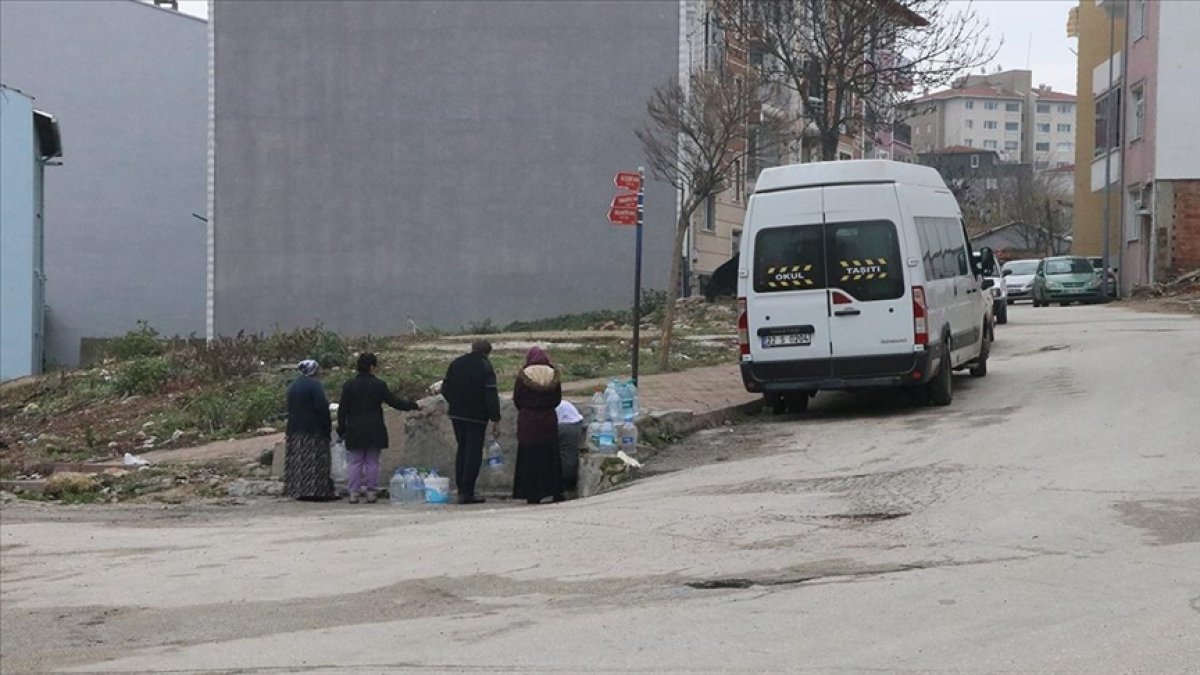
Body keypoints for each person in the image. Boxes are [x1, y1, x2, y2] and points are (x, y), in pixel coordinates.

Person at [337, 352, 419, 504]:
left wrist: (341, 428)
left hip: (354, 428)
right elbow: (394, 402)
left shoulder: (349, 385)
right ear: (372, 367)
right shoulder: (379, 385)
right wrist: (412, 405)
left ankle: (353, 493)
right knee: (372, 462)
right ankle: (371, 492)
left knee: (355, 462)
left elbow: (342, 409)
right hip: (374, 428)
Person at [441, 339, 501, 505]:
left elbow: (445, 389)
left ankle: (461, 489)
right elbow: (490, 394)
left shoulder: (456, 363)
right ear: (487, 352)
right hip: (476, 417)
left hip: (457, 415)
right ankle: (467, 492)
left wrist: (455, 402)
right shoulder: (485, 367)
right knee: (473, 453)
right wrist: (495, 418)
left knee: (462, 450)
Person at [512, 347, 564, 505]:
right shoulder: (553, 374)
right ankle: (555, 491)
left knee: (529, 457)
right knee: (550, 455)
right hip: (548, 420)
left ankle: (531, 494)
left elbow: (517, 399)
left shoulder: (524, 375)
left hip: (528, 420)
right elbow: (557, 399)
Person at [283, 359, 337, 501]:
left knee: (299, 461)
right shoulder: (315, 386)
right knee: (316, 460)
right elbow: (322, 408)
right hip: (313, 429)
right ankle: (318, 491)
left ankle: (299, 490)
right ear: (314, 370)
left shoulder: (293, 386)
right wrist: (327, 427)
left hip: (294, 429)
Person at [555, 400, 584, 494]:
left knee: (566, 457)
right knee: (569, 455)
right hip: (576, 421)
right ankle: (568, 485)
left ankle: (566, 486)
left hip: (565, 424)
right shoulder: (561, 402)